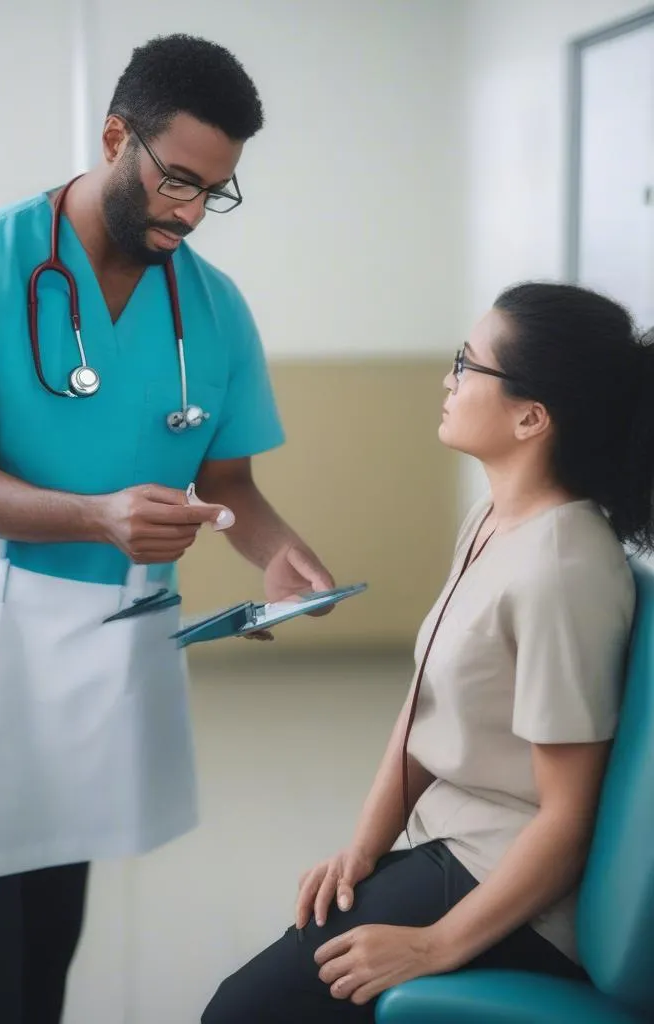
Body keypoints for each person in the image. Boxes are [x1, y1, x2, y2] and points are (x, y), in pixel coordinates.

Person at [0, 33, 335, 1024]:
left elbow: (229, 483)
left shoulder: (210, 307)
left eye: (214, 192)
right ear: (114, 136)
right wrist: (98, 514)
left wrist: (279, 556)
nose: (189, 212)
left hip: (111, 612)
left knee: (61, 856)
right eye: (177, 180)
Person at [202, 282, 654, 1022]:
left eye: (466, 365)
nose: (447, 380)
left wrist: (434, 946)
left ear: (530, 417)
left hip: (509, 882)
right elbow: (422, 707)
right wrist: (363, 847)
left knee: (241, 1013)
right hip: (450, 840)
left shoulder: (564, 571)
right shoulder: (491, 519)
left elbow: (567, 823)